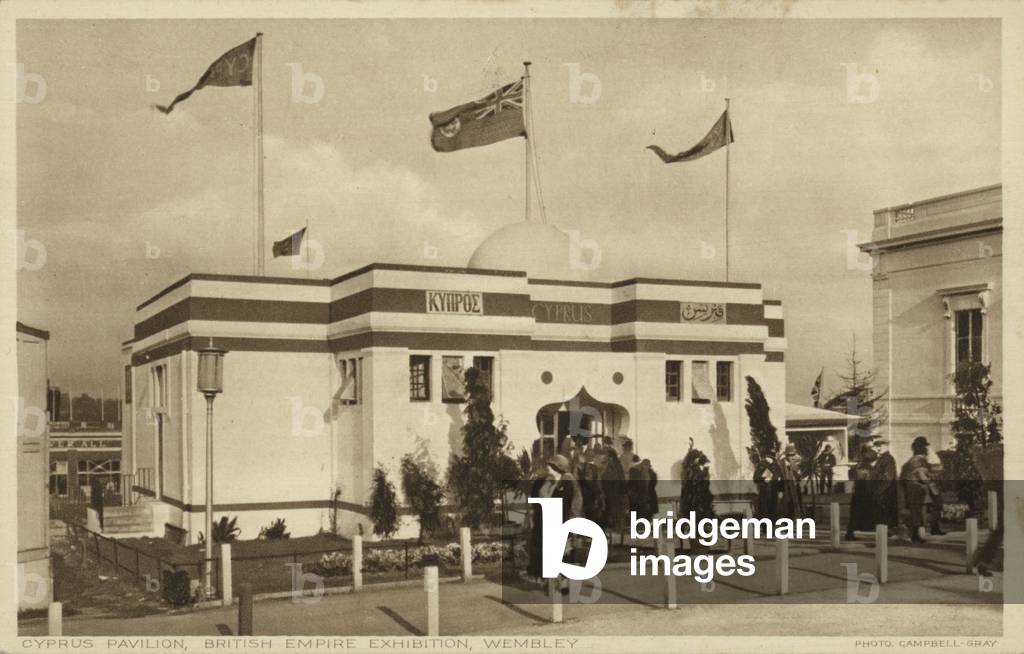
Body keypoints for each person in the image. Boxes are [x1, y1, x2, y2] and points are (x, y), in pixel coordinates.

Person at [526, 454, 582, 581]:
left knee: (564, 550)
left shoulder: (568, 481)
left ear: (558, 468)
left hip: (563, 520)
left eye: (550, 466)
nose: (547, 468)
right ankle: (545, 576)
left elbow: (574, 502)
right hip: (545, 521)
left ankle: (562, 578)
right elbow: (537, 499)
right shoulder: (545, 481)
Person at [900, 436, 939, 543]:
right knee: (918, 512)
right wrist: (931, 484)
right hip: (917, 488)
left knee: (915, 511)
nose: (927, 449)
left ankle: (914, 534)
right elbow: (921, 474)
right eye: (925, 447)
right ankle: (915, 535)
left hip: (910, 487)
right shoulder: (920, 459)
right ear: (922, 448)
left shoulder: (911, 460)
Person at [845, 442, 877, 540]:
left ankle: (850, 533)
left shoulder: (858, 466)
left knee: (855, 514)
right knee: (864, 513)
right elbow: (868, 482)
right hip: (864, 493)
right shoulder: (867, 468)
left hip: (858, 492)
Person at [871, 438, 899, 533]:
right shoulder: (882, 459)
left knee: (884, 517)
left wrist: (878, 491)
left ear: (886, 446)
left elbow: (888, 478)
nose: (878, 448)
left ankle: (884, 539)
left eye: (881, 446)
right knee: (881, 517)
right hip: (882, 492)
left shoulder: (888, 459)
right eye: (877, 446)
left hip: (885, 492)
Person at [777, 445, 805, 520]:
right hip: (787, 486)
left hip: (794, 485)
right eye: (790, 455)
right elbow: (779, 476)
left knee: (795, 503)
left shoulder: (795, 463)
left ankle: (794, 518)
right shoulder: (782, 463)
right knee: (787, 504)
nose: (792, 457)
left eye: (793, 455)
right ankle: (788, 520)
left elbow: (799, 475)